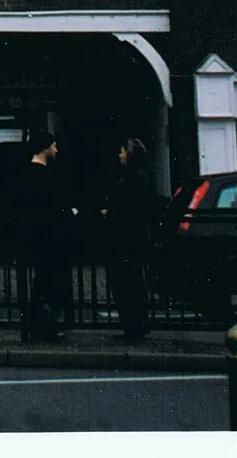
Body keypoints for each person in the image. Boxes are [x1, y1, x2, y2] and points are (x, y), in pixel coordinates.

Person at [16, 129, 75, 340]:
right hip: (50, 239)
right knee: (50, 284)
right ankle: (45, 328)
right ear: (44, 148)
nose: (56, 149)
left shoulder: (26, 175)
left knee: (41, 283)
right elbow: (55, 209)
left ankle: (38, 326)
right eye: (53, 145)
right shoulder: (46, 176)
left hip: (34, 239)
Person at [101, 138, 158, 340]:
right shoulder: (138, 175)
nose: (120, 155)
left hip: (127, 238)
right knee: (130, 281)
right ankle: (134, 325)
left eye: (122, 151)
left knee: (126, 281)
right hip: (130, 237)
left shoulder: (137, 177)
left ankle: (134, 326)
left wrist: (110, 213)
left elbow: (136, 208)